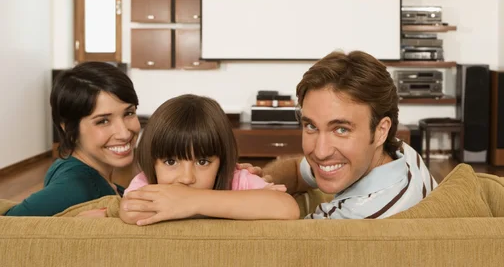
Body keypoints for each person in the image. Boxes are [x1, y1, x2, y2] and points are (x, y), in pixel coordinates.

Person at [262, 50, 437, 219]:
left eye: (341, 129)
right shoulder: (402, 155)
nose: (321, 152)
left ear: (380, 131)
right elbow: (296, 170)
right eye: (311, 126)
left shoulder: (349, 219)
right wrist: (257, 182)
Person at [120, 94, 299, 225]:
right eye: (171, 162)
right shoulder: (147, 183)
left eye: (202, 162)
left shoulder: (237, 180)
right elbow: (129, 212)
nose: (187, 178)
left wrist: (193, 200)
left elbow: (287, 208)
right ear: (152, 162)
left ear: (222, 162)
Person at [4, 62, 141, 216]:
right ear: (69, 128)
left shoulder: (67, 165)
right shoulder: (75, 187)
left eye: (129, 113)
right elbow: (9, 224)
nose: (124, 133)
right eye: (103, 121)